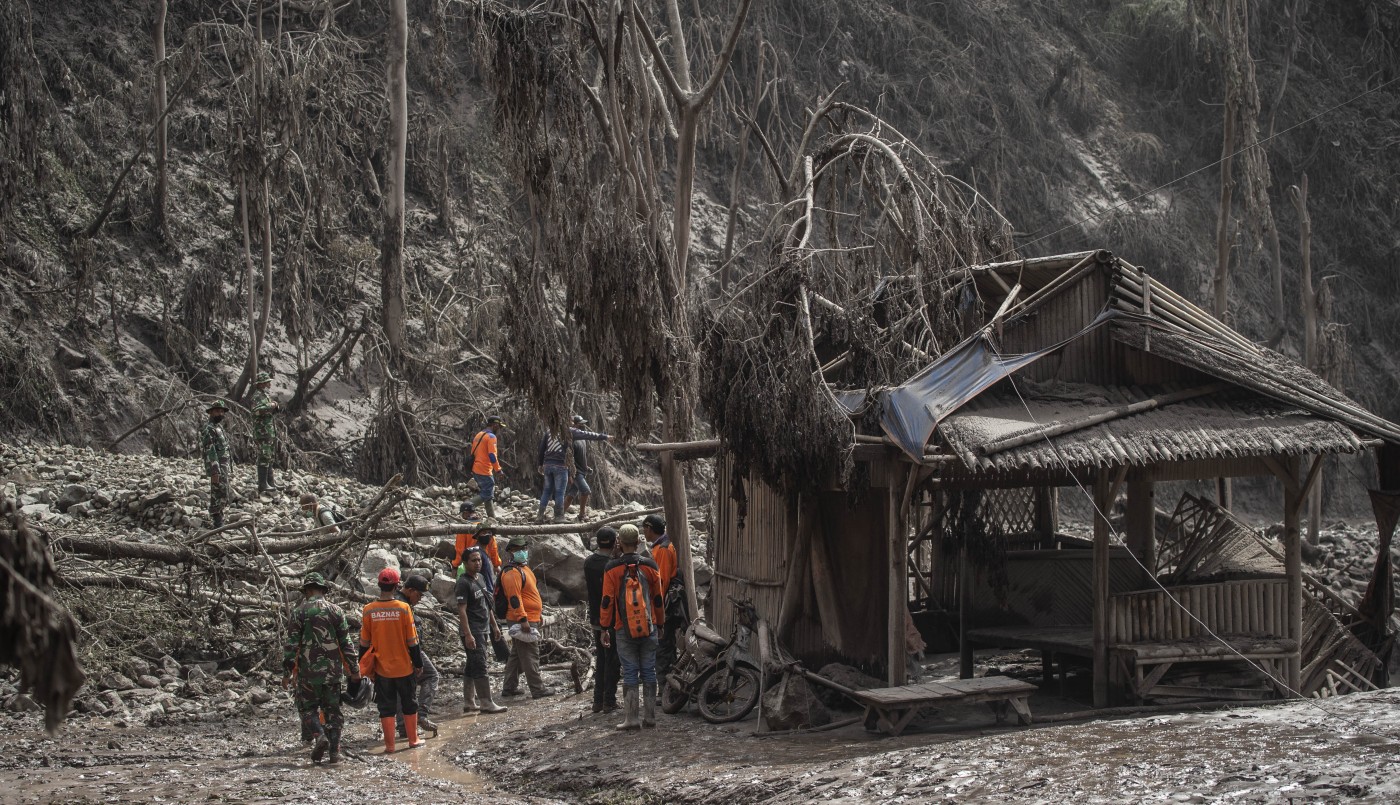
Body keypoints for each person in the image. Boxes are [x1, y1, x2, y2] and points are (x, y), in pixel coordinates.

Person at [282, 572, 359, 765]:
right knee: (333, 711)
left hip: (308, 673)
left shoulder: (299, 612)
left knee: (307, 709)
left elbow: (291, 646)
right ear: (324, 590)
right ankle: (335, 753)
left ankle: (319, 735)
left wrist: (287, 673)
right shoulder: (336, 611)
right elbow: (346, 644)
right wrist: (354, 669)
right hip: (333, 673)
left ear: (307, 590)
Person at [599, 524, 665, 730]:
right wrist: (660, 623)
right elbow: (658, 599)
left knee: (629, 671)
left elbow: (607, 601)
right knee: (649, 670)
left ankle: (632, 719)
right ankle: (651, 717)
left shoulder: (612, 569)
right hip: (649, 626)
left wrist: (604, 628)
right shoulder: (651, 566)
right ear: (638, 543)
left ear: (619, 542)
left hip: (622, 628)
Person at [359, 568, 425, 753]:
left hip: (382, 669)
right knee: (409, 703)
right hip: (404, 667)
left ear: (379, 585)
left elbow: (364, 643)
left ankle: (390, 746)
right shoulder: (403, 609)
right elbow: (413, 642)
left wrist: (361, 667)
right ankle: (413, 740)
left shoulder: (368, 610)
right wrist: (418, 664)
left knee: (386, 706)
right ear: (397, 586)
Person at [498, 536, 555, 698]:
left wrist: (539, 613)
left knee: (517, 655)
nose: (522, 552)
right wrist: (523, 619)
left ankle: (509, 687)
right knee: (530, 654)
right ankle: (537, 689)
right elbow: (514, 599)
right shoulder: (511, 573)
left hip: (530, 617)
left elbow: (531, 594)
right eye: (517, 550)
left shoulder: (524, 569)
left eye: (523, 549)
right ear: (510, 552)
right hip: (521, 619)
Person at [453, 547, 509, 714]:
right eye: (474, 560)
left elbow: (487, 605)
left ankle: (469, 702)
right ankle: (486, 702)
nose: (478, 563)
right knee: (480, 664)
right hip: (472, 630)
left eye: (479, 560)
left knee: (472, 664)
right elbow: (461, 611)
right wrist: (468, 634)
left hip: (484, 627)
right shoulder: (463, 583)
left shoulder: (482, 578)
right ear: (465, 563)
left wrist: (494, 626)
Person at [394, 575, 440, 738]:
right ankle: (420, 715)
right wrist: (416, 660)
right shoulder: (402, 605)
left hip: (400, 652)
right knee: (432, 676)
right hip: (410, 651)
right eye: (419, 595)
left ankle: (404, 727)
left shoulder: (400, 602)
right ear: (410, 590)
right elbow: (408, 635)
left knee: (404, 687)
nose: (419, 599)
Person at [538, 419, 609, 523]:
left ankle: (539, 517)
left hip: (548, 464)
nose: (581, 426)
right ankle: (559, 517)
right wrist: (605, 437)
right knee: (559, 492)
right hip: (561, 466)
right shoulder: (569, 432)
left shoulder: (548, 432)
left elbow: (542, 449)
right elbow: (589, 435)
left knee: (547, 491)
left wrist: (540, 464)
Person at [584, 526, 621, 714]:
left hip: (596, 619)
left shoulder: (589, 563)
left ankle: (597, 701)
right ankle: (609, 700)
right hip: (612, 619)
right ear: (615, 542)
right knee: (613, 659)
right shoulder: (613, 565)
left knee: (601, 658)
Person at [642, 514, 681, 682]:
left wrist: (656, 610)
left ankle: (665, 686)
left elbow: (662, 582)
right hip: (664, 603)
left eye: (644, 528)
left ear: (649, 529)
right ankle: (670, 686)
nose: (643, 532)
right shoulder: (661, 546)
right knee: (667, 646)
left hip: (664, 605)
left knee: (663, 647)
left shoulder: (663, 549)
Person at [563, 415, 610, 525]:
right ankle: (582, 514)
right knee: (585, 491)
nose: (582, 426)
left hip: (581, 470)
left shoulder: (582, 439)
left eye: (583, 424)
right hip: (575, 472)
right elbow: (568, 458)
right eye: (580, 423)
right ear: (574, 425)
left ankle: (560, 514)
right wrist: (569, 473)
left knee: (571, 494)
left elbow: (581, 455)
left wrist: (586, 467)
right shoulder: (571, 439)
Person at [200, 399, 232, 528]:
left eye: (222, 412)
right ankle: (217, 520)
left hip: (223, 464)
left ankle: (220, 515)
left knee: (224, 491)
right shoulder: (208, 429)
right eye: (218, 411)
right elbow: (210, 450)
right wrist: (214, 469)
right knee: (217, 492)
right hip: (217, 464)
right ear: (211, 412)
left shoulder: (218, 427)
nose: (221, 414)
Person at [467, 415, 508, 519]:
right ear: (494, 425)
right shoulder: (491, 437)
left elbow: (473, 452)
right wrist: (498, 470)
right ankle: (466, 507)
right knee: (486, 493)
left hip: (476, 468)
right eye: (499, 426)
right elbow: (492, 455)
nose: (499, 429)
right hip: (484, 470)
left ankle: (491, 517)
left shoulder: (479, 435)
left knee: (487, 492)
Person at [251, 371, 281, 494]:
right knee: (264, 456)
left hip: (268, 431)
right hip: (262, 432)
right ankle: (263, 484)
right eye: (267, 382)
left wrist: (274, 406)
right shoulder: (257, 396)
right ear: (262, 383)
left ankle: (271, 482)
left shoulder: (264, 395)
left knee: (269, 457)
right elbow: (257, 411)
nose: (269, 384)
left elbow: (269, 410)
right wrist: (271, 405)